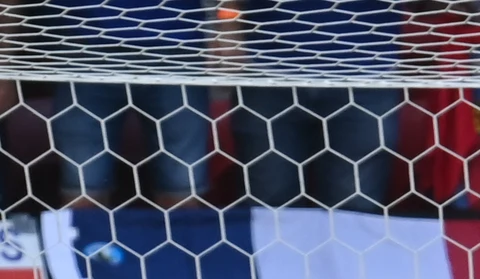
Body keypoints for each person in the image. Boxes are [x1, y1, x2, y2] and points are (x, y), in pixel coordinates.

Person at [224, 0, 405, 212]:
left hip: (367, 75)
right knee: (269, 202)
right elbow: (228, 8)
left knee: (355, 206)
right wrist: (227, 25)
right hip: (268, 72)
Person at [43, 0, 211, 208]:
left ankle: (183, 240)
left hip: (176, 41)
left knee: (182, 187)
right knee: (83, 187)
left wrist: (227, 29)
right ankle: (88, 240)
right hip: (85, 41)